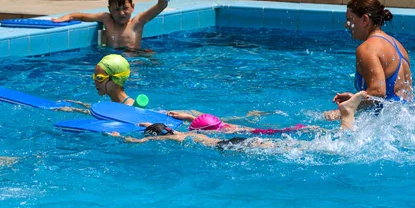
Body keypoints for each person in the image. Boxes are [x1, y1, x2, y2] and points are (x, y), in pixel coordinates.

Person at [114, 92, 368, 149]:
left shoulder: (186, 137)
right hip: (239, 141)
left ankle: (347, 117)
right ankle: (347, 120)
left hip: (237, 146)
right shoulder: (209, 129)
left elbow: (153, 138)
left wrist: (122, 137)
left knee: (317, 149)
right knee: (317, 146)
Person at [324, 0, 414, 120]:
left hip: (389, 122)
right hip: (410, 116)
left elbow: (379, 92)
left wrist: (343, 111)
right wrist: (355, 97)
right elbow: (395, 96)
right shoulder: (397, 45)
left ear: (365, 20)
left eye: (350, 19)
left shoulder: (366, 49)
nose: (346, 25)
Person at [57, 54, 136, 113]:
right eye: (94, 77)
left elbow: (108, 115)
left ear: (116, 79)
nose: (95, 82)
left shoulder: (129, 108)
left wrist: (75, 110)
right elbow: (105, 111)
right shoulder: (115, 101)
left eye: (99, 78)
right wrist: (78, 104)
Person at [166, 111, 319, 134]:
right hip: (253, 129)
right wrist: (186, 116)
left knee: (277, 132)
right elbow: (205, 122)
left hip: (255, 133)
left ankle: (305, 129)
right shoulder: (220, 124)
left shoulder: (224, 131)